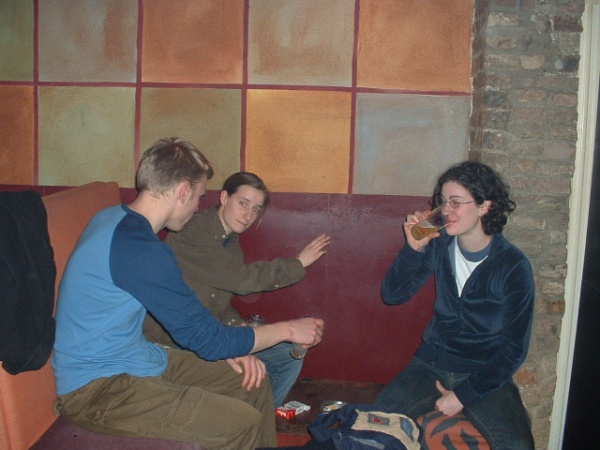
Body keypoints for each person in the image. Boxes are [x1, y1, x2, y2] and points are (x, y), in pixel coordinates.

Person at [51, 137, 324, 450]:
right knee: (241, 424)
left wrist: (230, 342)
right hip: (97, 389)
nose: (197, 206)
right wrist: (288, 329)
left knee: (254, 382)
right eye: (198, 196)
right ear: (183, 191)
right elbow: (207, 339)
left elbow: (198, 322)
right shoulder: (139, 249)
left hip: (138, 357)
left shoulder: (114, 218)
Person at [374, 161, 535, 449]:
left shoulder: (512, 265)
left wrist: (462, 396)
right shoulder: (439, 244)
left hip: (482, 370)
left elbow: (514, 350)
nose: (446, 211)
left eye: (456, 203)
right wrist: (413, 249)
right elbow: (393, 295)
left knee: (517, 444)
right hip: (431, 364)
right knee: (372, 428)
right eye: (443, 201)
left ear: (484, 206)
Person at [143, 171, 330, 407]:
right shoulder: (194, 231)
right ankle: (247, 416)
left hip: (209, 331)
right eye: (243, 203)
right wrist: (298, 263)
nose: (248, 215)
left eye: (256, 209)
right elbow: (244, 281)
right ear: (224, 197)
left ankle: (257, 416)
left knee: (286, 355)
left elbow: (217, 303)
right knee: (249, 367)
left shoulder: (230, 243)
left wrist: (238, 325)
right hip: (173, 340)